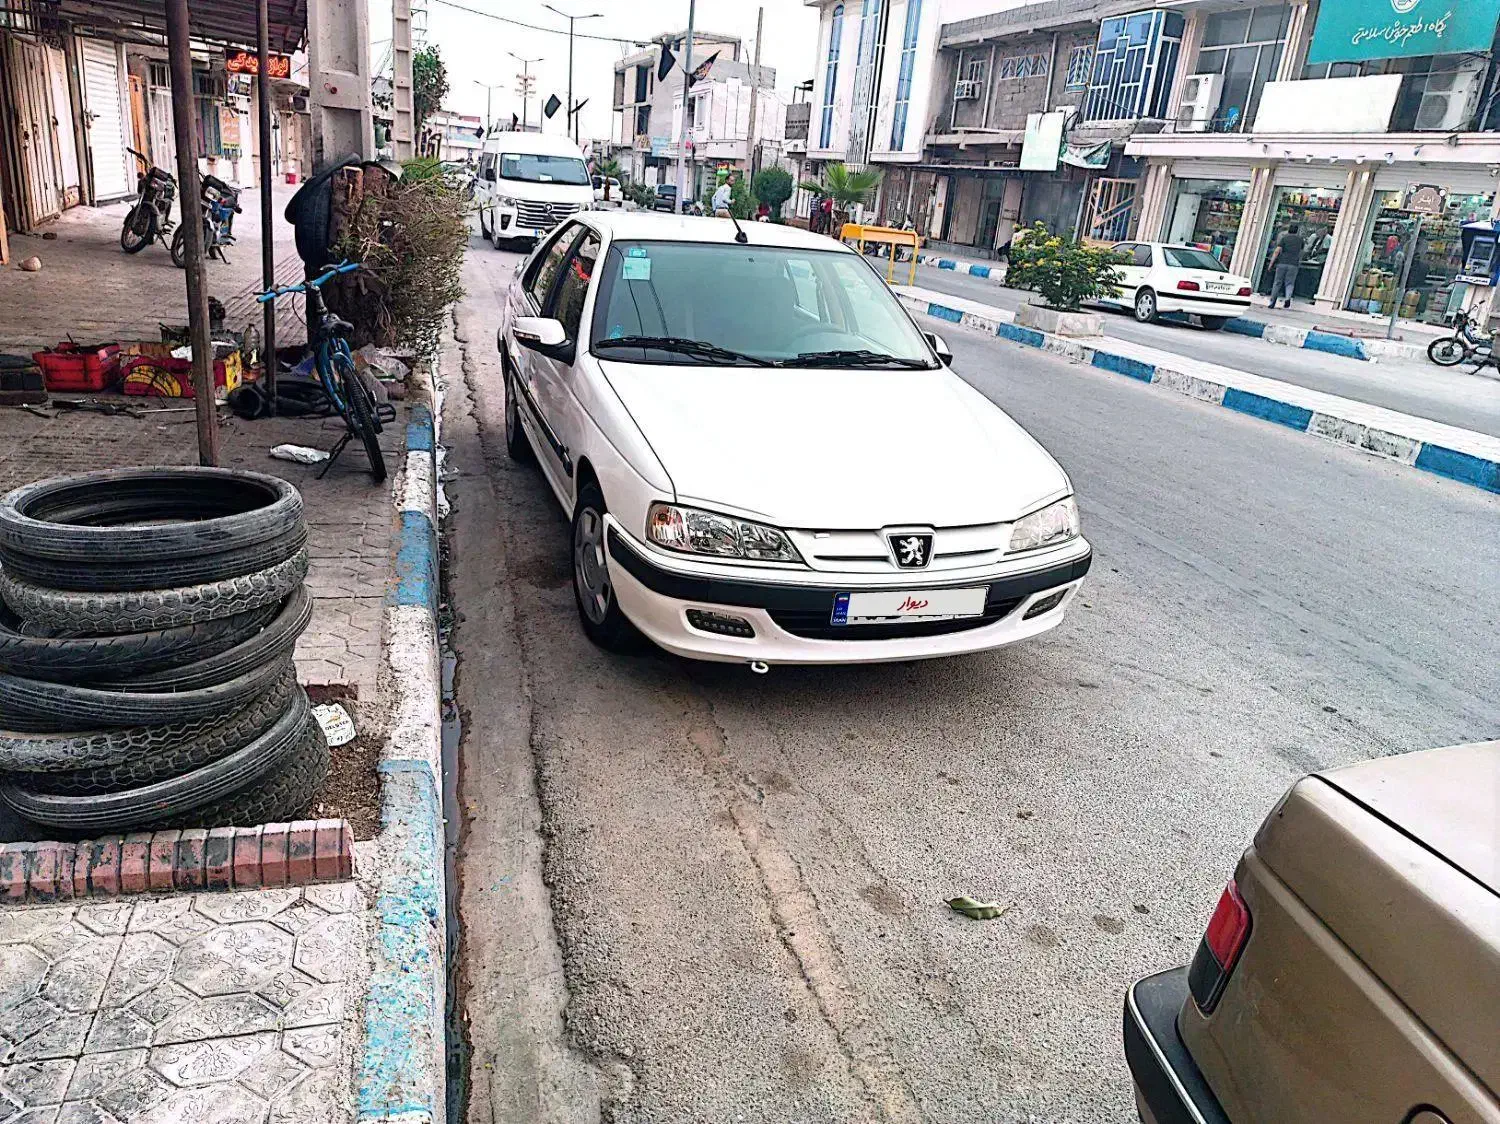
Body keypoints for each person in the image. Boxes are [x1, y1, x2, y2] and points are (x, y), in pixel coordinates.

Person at [1268, 222, 1305, 309]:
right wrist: (1299, 261)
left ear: (1289, 230)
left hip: (1282, 263)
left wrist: (1271, 263)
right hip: (1293, 264)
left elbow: (1277, 251)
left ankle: (1272, 302)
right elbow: (1302, 252)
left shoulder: (1284, 238)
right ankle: (1288, 298)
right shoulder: (1300, 240)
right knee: (1290, 283)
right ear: (1297, 231)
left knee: (1277, 282)